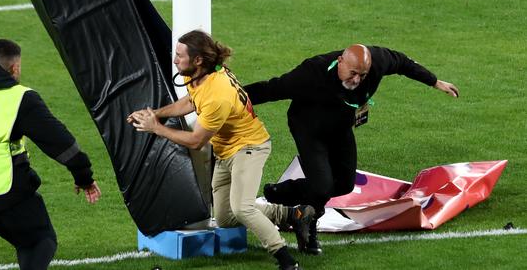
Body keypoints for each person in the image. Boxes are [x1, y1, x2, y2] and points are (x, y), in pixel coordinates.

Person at [244, 44, 459, 255]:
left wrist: (434, 81)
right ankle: (307, 226)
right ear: (340, 62)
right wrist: (232, 97)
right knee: (322, 186)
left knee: (345, 184)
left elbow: (403, 62)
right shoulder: (312, 72)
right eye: (353, 73)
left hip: (340, 128)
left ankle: (282, 193)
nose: (356, 80)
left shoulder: (377, 61)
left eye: (362, 75)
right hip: (309, 129)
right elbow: (272, 88)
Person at [127, 30, 314, 270]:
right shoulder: (203, 75)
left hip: (249, 148)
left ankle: (285, 259)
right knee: (226, 218)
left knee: (243, 208)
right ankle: (294, 216)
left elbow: (196, 140)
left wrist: (156, 128)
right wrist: (156, 114)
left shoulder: (218, 94)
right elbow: (191, 101)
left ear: (198, 60)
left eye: (179, 56)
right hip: (226, 151)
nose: (175, 60)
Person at [0, 39, 102, 270]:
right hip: (3, 189)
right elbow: (61, 144)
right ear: (15, 68)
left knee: (26, 240)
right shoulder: (20, 98)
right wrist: (84, 178)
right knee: (41, 240)